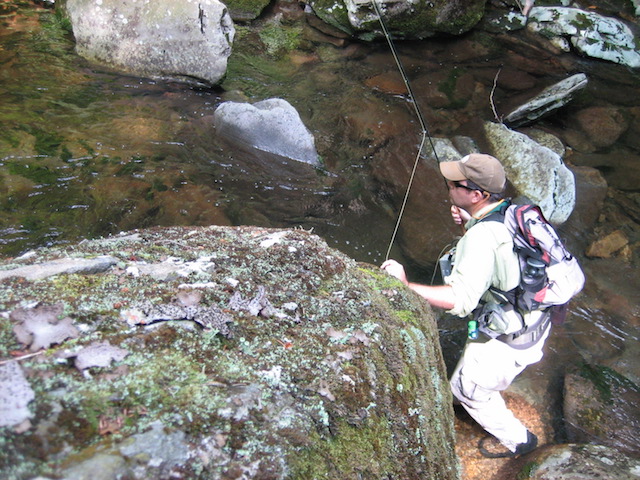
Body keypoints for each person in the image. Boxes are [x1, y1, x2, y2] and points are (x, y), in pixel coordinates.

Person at [381, 153, 545, 458]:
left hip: (508, 341)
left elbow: (460, 299)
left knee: (471, 392)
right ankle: (474, 390)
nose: (448, 186)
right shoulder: (511, 211)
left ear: (477, 194)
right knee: (468, 380)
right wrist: (471, 225)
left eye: (454, 183)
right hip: (534, 322)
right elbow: (501, 256)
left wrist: (404, 285)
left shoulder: (483, 237)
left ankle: (521, 442)